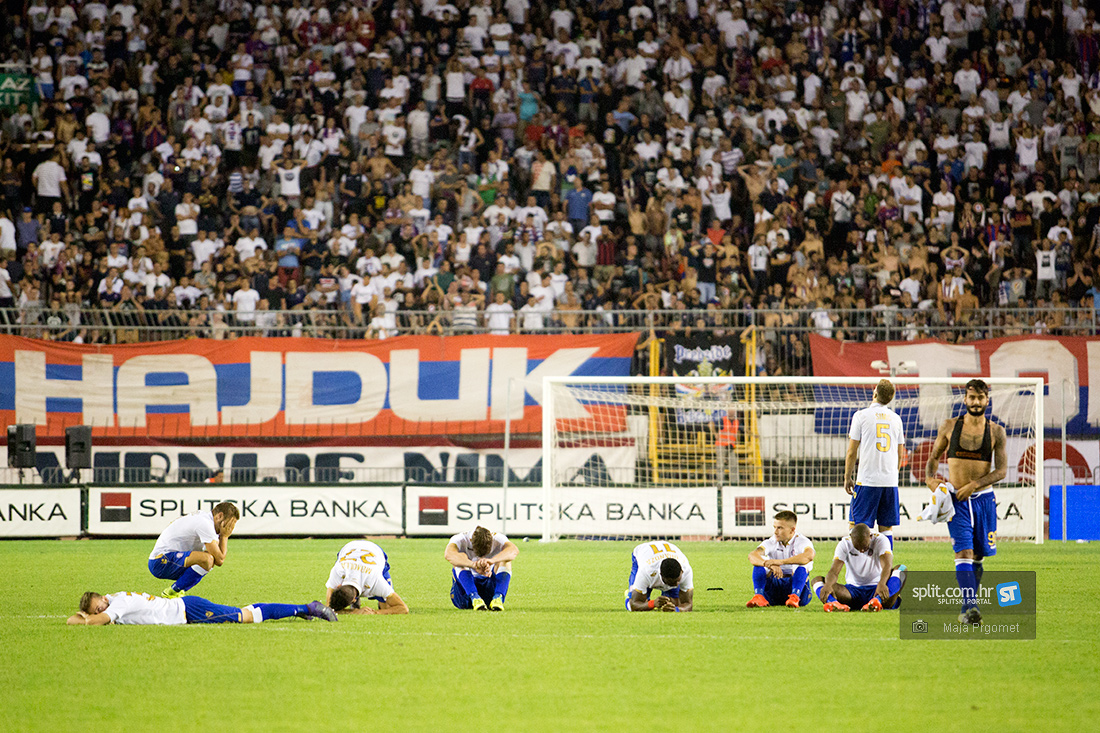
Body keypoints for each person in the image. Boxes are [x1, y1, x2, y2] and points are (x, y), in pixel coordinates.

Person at [923, 378, 1007, 625]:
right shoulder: (949, 427)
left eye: (981, 398)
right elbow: (933, 458)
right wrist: (930, 479)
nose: (976, 402)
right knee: (964, 552)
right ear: (965, 399)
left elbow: (1001, 471)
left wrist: (974, 485)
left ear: (987, 400)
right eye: (972, 397)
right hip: (956, 500)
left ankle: (966, 606)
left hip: (983, 500)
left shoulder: (996, 432)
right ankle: (971, 607)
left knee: (979, 555)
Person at [844, 378, 905, 547]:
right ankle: (886, 569)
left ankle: (856, 569)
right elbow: (900, 453)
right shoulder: (896, 419)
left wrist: (848, 477)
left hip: (867, 480)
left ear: (875, 392)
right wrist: (893, 475)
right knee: (886, 529)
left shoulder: (861, 416)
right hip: (890, 482)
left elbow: (851, 452)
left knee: (858, 526)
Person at [67, 591, 337, 625]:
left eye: (98, 605)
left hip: (188, 611)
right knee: (245, 613)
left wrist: (83, 619)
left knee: (248, 616)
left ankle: (307, 607)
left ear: (103, 598)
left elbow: (93, 623)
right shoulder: (116, 596)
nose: (100, 609)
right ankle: (302, 610)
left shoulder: (119, 603)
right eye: (96, 608)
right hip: (186, 608)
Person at [148, 502, 240, 599]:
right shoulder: (205, 524)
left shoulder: (205, 519)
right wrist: (225, 536)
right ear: (219, 516)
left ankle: (176, 591)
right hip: (160, 561)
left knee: (209, 557)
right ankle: (172, 592)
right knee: (207, 559)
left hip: (170, 559)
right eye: (229, 524)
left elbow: (217, 554)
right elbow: (220, 560)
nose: (229, 529)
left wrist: (222, 536)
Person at [812, 523, 906, 612]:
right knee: (817, 580)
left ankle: (876, 601)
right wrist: (828, 585)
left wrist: (882, 583)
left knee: (902, 568)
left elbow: (887, 565)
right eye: (857, 547)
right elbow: (834, 571)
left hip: (877, 590)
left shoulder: (881, 540)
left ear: (870, 536)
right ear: (852, 539)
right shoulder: (845, 543)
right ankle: (834, 603)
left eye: (865, 547)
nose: (861, 550)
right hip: (852, 593)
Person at [746, 510, 815, 608]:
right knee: (759, 562)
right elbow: (752, 555)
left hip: (799, 593)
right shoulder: (771, 541)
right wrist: (767, 563)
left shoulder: (802, 541)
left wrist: (780, 562)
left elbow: (809, 555)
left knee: (803, 564)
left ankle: (795, 597)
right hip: (775, 591)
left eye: (780, 528)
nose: (775, 532)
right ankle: (759, 596)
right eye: (774, 527)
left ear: (792, 530)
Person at [325, 540, 409, 615]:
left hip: (374, 551)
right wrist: (354, 612)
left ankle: (357, 601)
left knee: (385, 608)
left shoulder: (376, 581)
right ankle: (355, 602)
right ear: (338, 586)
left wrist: (375, 613)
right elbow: (329, 608)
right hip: (349, 548)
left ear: (339, 586)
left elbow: (403, 608)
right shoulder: (338, 571)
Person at [445, 526, 518, 611]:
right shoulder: (460, 539)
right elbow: (448, 554)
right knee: (459, 558)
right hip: (464, 594)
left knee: (506, 560)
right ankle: (474, 597)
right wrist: (473, 565)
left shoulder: (497, 538)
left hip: (488, 587)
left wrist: (492, 561)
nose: (482, 557)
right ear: (470, 540)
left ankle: (498, 597)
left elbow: (514, 550)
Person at [624, 541, 694, 612]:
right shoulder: (647, 571)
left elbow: (688, 604)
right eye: (671, 583)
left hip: (665, 553)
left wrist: (676, 609)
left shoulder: (686, 571)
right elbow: (634, 604)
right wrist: (653, 603)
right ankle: (631, 591)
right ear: (661, 575)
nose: (676, 585)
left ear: (681, 572)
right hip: (643, 553)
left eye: (678, 580)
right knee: (633, 606)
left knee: (673, 604)